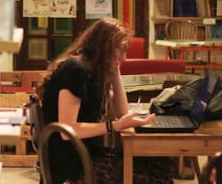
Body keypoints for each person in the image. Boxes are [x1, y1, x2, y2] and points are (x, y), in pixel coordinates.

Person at [37, 18, 175, 184]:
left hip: (88, 156)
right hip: (74, 166)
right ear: (104, 47)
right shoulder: (75, 71)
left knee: (162, 163)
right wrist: (114, 126)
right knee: (155, 173)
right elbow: (67, 131)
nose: (124, 57)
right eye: (121, 50)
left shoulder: (93, 71)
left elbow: (122, 112)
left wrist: (116, 71)